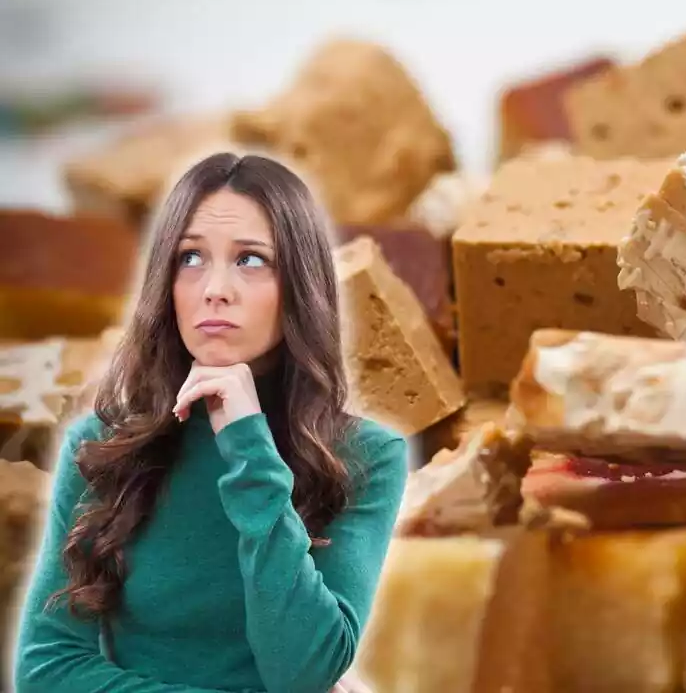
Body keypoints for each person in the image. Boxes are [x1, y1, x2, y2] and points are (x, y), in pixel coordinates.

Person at [12, 153, 407, 693]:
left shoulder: (366, 456)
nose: (214, 288)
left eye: (250, 260)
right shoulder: (102, 448)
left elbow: (306, 672)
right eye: (191, 258)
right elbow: (47, 667)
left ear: (300, 284)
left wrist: (248, 443)